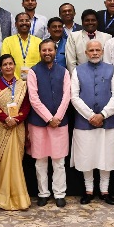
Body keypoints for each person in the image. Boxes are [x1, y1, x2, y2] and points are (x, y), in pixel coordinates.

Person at [71, 40, 114, 205]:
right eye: (91, 50)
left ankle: (105, 191)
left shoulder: (111, 69)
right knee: (87, 156)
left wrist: (103, 115)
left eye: (97, 50)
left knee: (106, 156)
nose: (94, 53)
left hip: (108, 122)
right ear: (86, 53)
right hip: (84, 122)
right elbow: (74, 97)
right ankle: (89, 191)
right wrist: (91, 116)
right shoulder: (77, 70)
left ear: (102, 51)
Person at [27, 39, 72, 207]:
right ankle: (43, 193)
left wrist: (57, 117)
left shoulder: (64, 71)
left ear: (55, 51)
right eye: (44, 50)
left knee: (59, 161)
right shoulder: (33, 72)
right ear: (40, 52)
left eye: (50, 50)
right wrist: (48, 118)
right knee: (40, 161)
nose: (47, 53)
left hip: (60, 123)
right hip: (38, 123)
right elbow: (33, 98)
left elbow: (67, 96)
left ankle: (59, 194)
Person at [0, 54, 31, 210]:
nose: (8, 66)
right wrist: (5, 119)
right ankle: (3, 198)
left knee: (16, 161)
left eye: (10, 64)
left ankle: (19, 197)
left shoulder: (22, 85)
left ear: (15, 66)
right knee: (2, 161)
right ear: (0, 68)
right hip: (0, 126)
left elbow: (26, 106)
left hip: (17, 127)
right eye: (5, 64)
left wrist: (17, 120)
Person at [1, 12, 42, 80]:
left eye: (27, 20)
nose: (24, 23)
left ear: (30, 23)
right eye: (21, 21)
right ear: (16, 24)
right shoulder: (7, 41)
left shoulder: (39, 42)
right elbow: (5, 63)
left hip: (35, 81)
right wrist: (16, 80)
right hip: (13, 81)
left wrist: (33, 80)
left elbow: (42, 64)